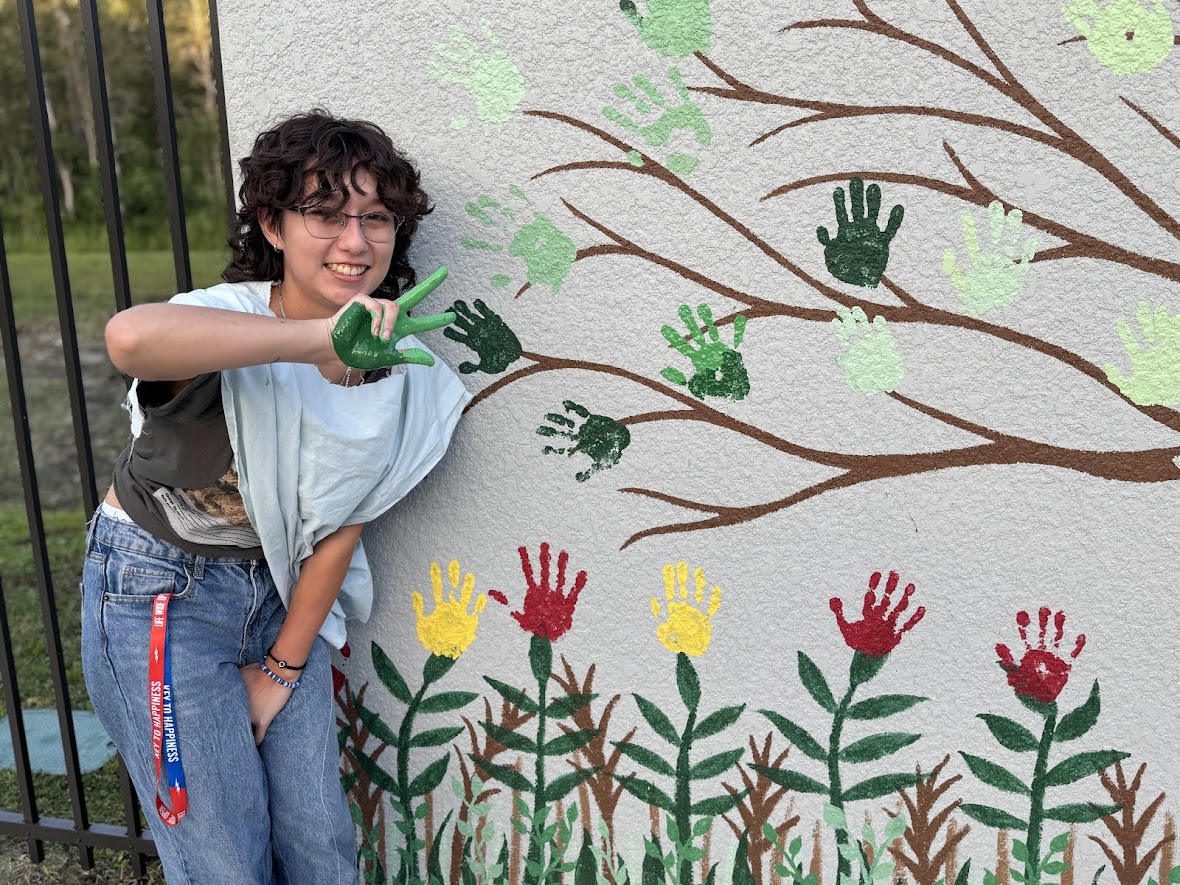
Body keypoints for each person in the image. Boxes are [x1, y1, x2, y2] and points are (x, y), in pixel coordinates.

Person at [80, 110, 467, 884]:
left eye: (377, 217)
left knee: (321, 844)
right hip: (161, 595)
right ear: (273, 223)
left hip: (282, 600)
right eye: (325, 214)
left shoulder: (401, 368)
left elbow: (339, 528)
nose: (355, 242)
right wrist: (315, 339)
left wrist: (283, 671)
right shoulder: (225, 320)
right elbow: (129, 338)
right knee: (225, 856)